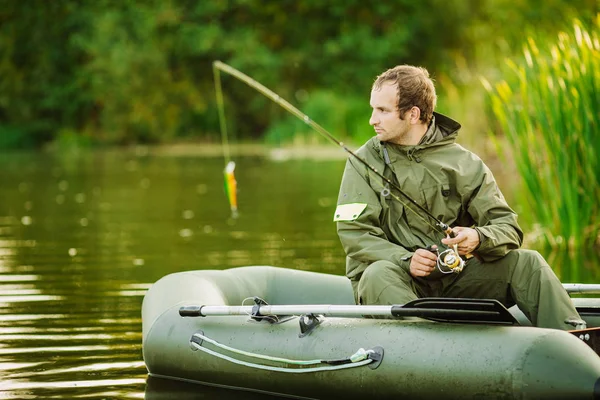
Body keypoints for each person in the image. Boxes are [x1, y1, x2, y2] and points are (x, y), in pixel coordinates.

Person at [334, 64, 583, 330]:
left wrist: (478, 238)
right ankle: (432, 354)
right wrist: (406, 260)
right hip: (395, 282)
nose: (373, 119)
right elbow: (354, 233)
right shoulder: (362, 162)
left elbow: (509, 228)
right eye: (373, 109)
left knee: (528, 262)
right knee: (375, 274)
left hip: (455, 278)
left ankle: (579, 343)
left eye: (383, 110)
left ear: (413, 114)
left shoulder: (465, 163)